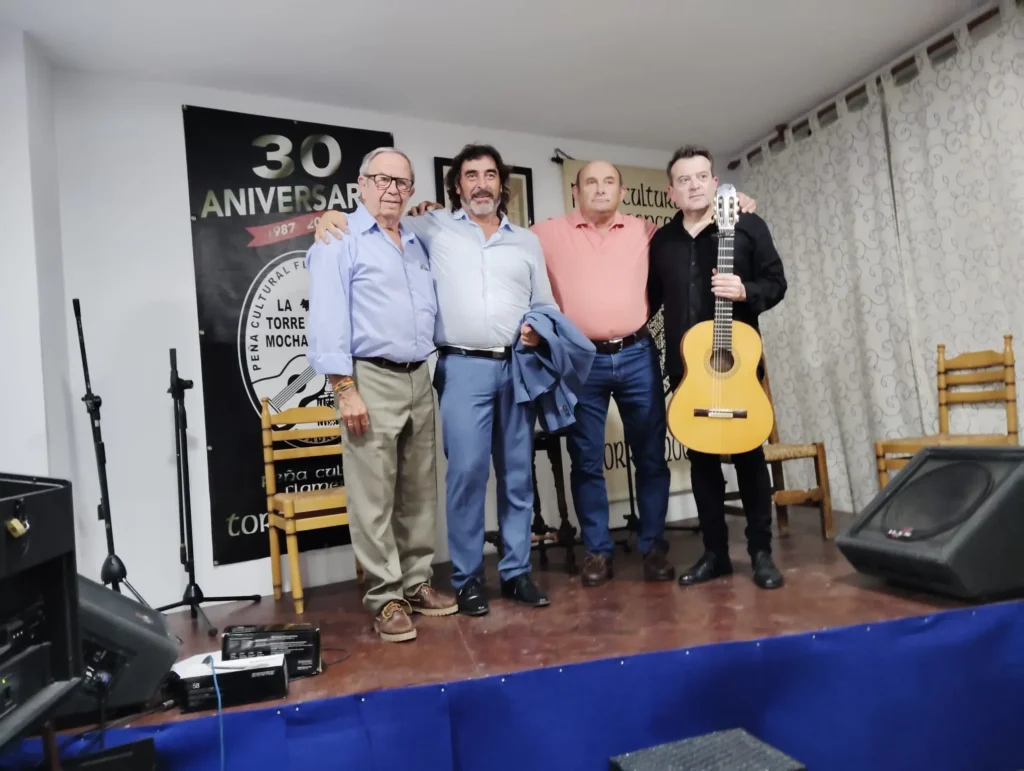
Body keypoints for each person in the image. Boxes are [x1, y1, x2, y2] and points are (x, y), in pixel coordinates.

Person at [315, 144, 559, 616]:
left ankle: (513, 572)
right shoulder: (421, 228)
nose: (481, 183)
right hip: (452, 367)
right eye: (471, 175)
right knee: (462, 477)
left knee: (505, 477)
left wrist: (537, 328)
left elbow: (545, 303)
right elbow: (331, 302)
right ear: (457, 185)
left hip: (506, 367)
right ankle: (462, 581)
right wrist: (324, 215)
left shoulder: (513, 240)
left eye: (490, 174)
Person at [305, 147, 457, 643]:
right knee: (373, 495)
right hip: (367, 377)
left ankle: (415, 583)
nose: (392, 190)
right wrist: (343, 389)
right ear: (361, 184)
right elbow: (327, 316)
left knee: (419, 489)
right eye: (383, 180)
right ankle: (385, 596)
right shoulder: (339, 238)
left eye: (402, 182)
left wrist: (430, 213)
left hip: (420, 375)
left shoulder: (415, 240)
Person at [648, 145, 787, 590]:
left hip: (738, 369)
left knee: (750, 459)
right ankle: (715, 554)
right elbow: (649, 298)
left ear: (715, 182)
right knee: (702, 462)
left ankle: (761, 552)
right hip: (689, 372)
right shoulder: (662, 241)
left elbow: (777, 282)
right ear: (671, 192)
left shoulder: (745, 225)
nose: (693, 185)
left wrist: (746, 290)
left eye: (701, 176)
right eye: (683, 179)